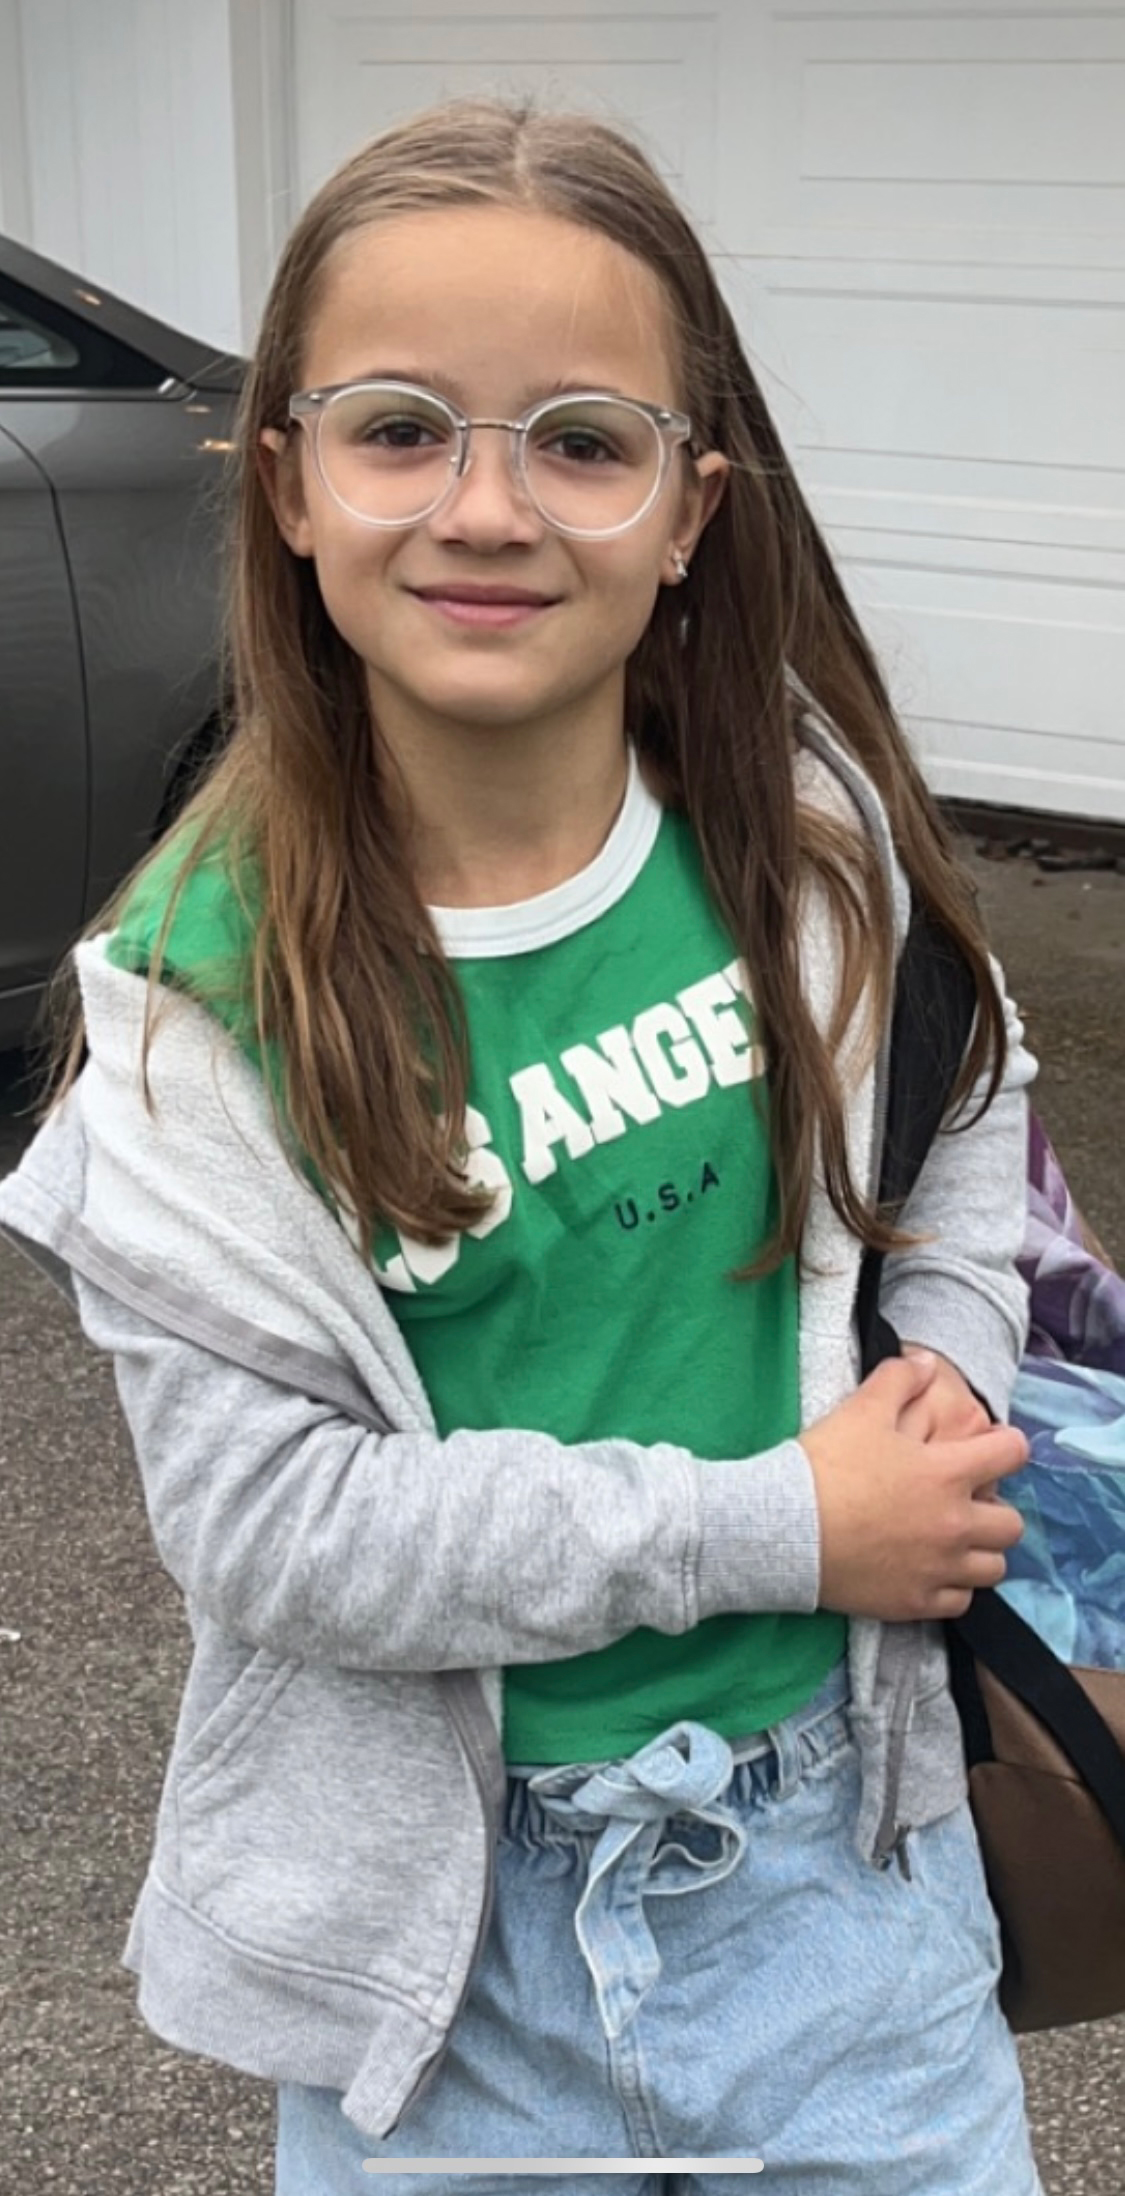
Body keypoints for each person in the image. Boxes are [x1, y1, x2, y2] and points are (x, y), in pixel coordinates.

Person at [0, 95, 1046, 2195]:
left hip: (846, 1886)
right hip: (444, 1964)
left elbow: (966, 1097)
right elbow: (274, 1529)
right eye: (400, 429)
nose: (486, 508)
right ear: (286, 484)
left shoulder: (801, 837)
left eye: (581, 441)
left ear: (687, 509)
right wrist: (783, 1525)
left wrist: (948, 1365)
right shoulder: (191, 1005)